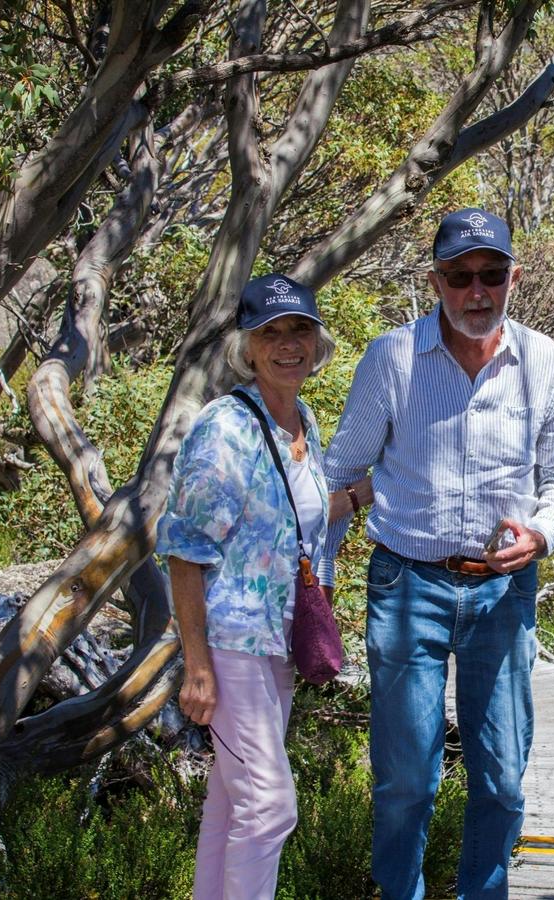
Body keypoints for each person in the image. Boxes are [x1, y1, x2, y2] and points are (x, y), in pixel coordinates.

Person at [318, 208, 554, 899]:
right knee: (407, 776)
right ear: (435, 281)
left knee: (500, 772)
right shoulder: (392, 357)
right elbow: (341, 471)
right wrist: (311, 574)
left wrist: (542, 533)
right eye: (460, 276)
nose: (476, 291)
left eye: (491, 275)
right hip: (407, 583)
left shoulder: (546, 362)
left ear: (513, 277)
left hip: (504, 595)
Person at [157, 274, 372, 900]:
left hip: (275, 646)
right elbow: (183, 550)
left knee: (231, 803)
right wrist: (196, 665)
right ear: (247, 348)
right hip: (230, 646)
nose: (287, 344)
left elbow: (287, 519)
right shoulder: (225, 428)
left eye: (299, 329)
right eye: (269, 333)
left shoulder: (299, 419)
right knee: (272, 806)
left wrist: (361, 494)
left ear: (317, 341)